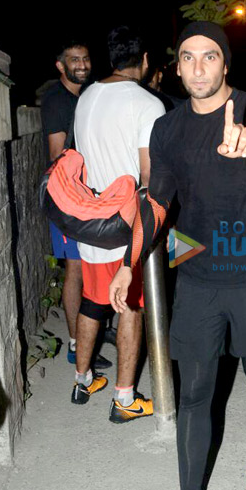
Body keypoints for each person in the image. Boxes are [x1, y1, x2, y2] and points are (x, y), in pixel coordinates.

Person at [108, 21, 246, 490]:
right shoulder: (167, 129)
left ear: (224, 64)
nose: (198, 67)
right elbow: (159, 200)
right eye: (188, 57)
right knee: (194, 392)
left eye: (209, 56)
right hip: (194, 270)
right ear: (176, 64)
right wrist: (129, 262)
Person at [71, 26, 165, 421]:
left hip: (87, 217)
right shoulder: (147, 104)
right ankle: (125, 400)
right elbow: (149, 177)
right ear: (144, 60)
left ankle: (82, 379)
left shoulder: (87, 95)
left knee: (94, 300)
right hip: (125, 224)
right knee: (131, 307)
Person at [40, 41, 112, 370]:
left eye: (85, 58)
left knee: (94, 263)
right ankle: (75, 342)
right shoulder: (57, 100)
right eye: (73, 59)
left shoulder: (87, 96)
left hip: (87, 195)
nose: (81, 64)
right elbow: (58, 155)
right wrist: (77, 196)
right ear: (60, 65)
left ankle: (94, 330)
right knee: (76, 269)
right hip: (67, 197)